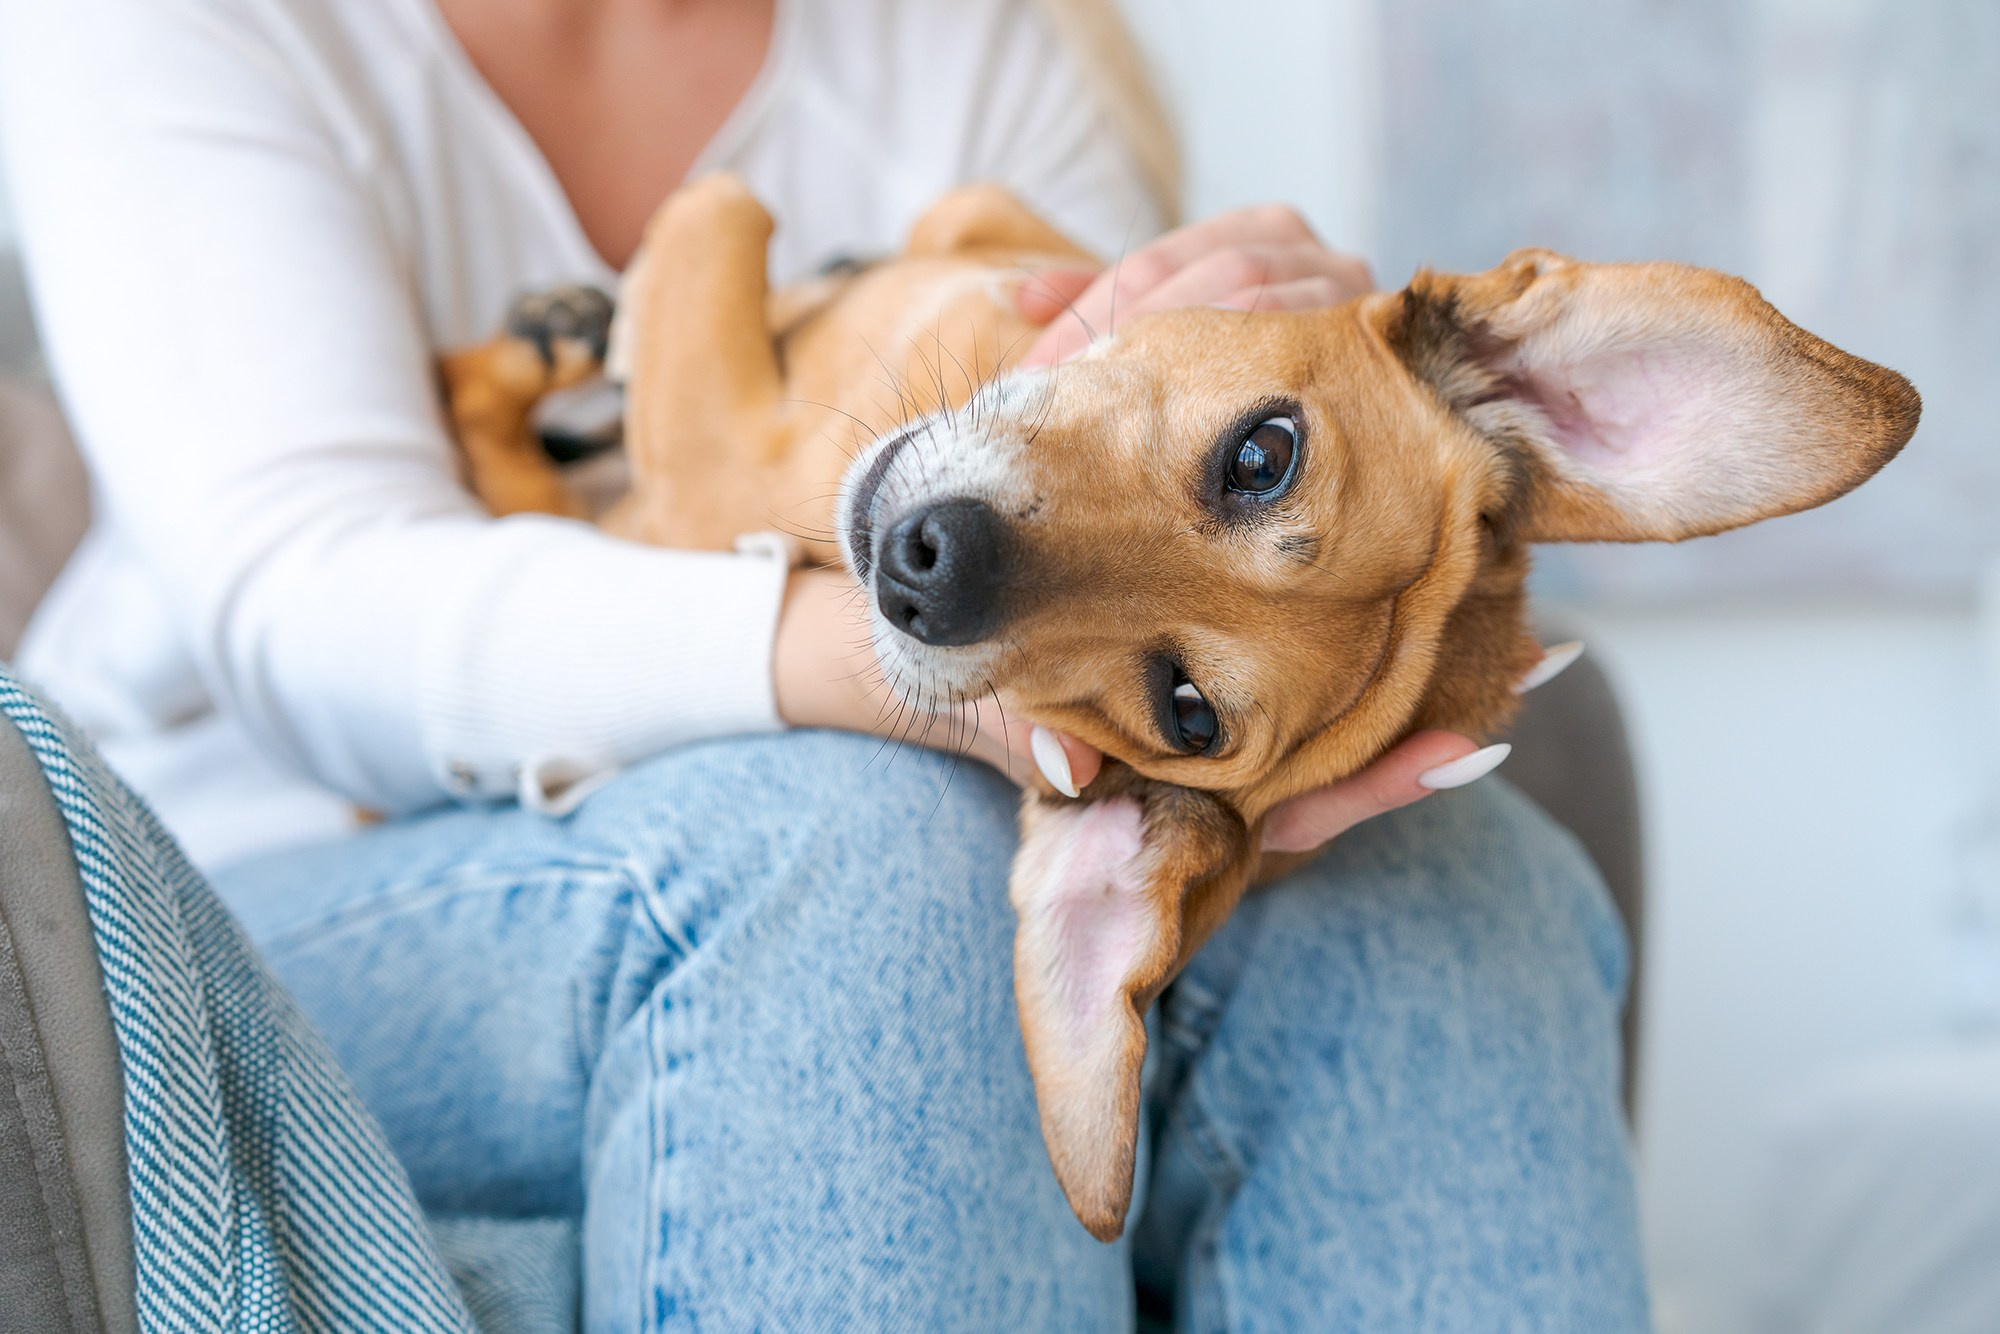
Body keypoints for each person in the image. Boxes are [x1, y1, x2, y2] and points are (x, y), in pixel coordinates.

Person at [0, 0, 1651, 1327]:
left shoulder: (982, 49)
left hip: (813, 821)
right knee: (877, 848)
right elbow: (316, 604)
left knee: (1450, 880)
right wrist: (910, 681)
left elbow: (1123, 540)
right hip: (241, 881)